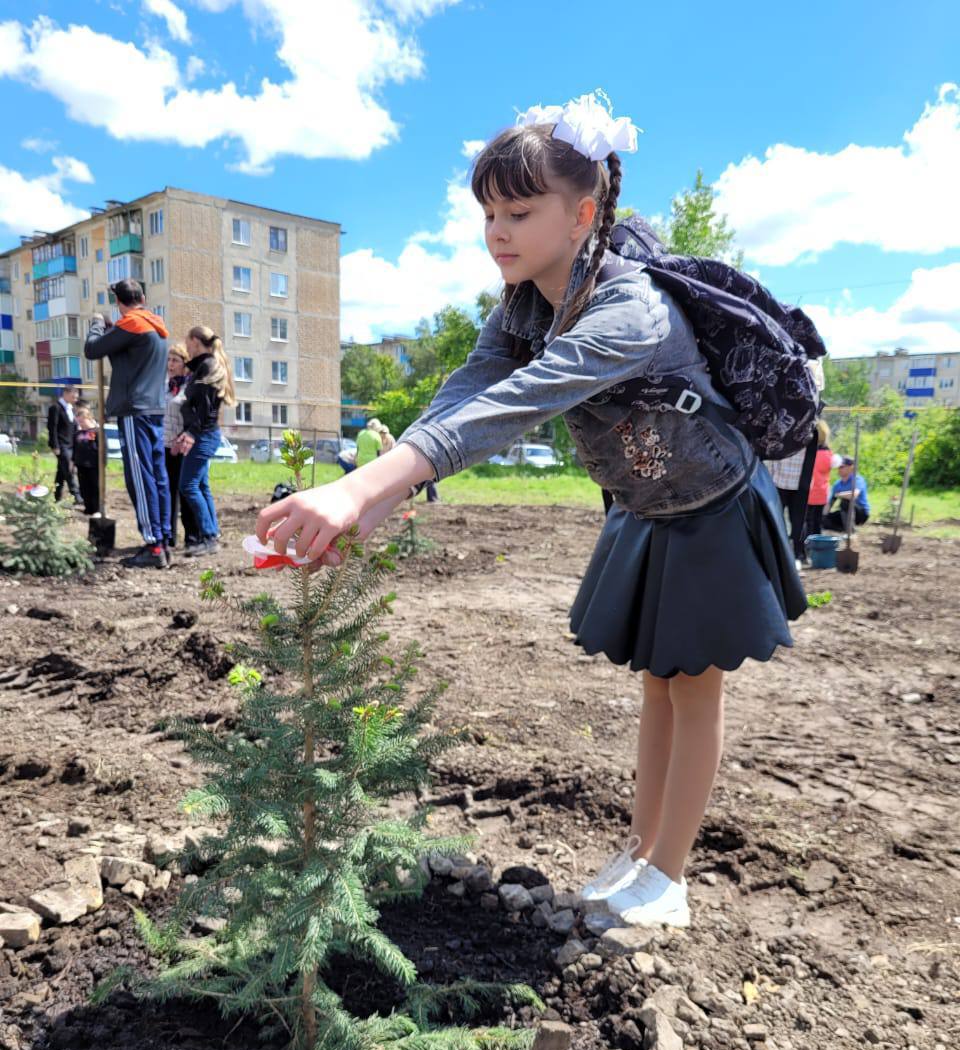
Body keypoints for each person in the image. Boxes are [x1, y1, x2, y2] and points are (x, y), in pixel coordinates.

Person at [254, 91, 809, 931]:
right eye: (488, 214)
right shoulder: (525, 303)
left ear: (583, 212)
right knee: (660, 685)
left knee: (695, 689)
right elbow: (468, 389)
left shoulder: (631, 311)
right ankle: (641, 850)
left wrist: (365, 488)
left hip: (710, 506)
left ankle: (670, 876)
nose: (498, 232)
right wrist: (384, 488)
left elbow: (514, 404)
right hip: (646, 508)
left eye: (519, 210)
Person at [84, 279, 171, 568]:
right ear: (143, 297)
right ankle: (162, 539)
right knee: (157, 477)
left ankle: (153, 546)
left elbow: (93, 349)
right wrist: (112, 328)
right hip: (155, 410)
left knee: (140, 477)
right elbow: (124, 348)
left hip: (134, 411)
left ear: (119, 302)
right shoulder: (155, 326)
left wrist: (97, 324)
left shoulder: (131, 324)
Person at [172, 325, 236, 557]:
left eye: (187, 342)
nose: (186, 346)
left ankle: (209, 537)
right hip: (204, 433)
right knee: (200, 485)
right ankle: (211, 535)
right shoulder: (203, 366)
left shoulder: (207, 367)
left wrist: (191, 433)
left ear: (195, 341)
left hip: (204, 435)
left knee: (187, 485)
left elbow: (205, 408)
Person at [163, 343, 200, 549]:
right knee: (167, 492)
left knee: (185, 492)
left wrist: (183, 437)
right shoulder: (164, 386)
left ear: (185, 364)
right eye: (169, 360)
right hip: (165, 447)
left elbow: (193, 417)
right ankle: (169, 536)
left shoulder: (188, 387)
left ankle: (192, 537)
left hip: (183, 447)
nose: (170, 364)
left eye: (175, 360)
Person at [46, 385, 83, 506]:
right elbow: (53, 428)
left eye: (76, 397)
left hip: (70, 445)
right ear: (66, 394)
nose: (75, 399)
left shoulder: (71, 409)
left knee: (61, 472)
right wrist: (55, 446)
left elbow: (73, 427)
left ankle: (56, 497)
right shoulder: (55, 408)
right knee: (69, 470)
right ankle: (77, 496)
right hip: (61, 445)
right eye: (73, 396)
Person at [805, 420, 842, 538]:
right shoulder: (829, 455)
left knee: (807, 521)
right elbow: (835, 463)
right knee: (817, 521)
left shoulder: (808, 453)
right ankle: (818, 543)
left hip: (809, 493)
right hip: (822, 493)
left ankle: (806, 544)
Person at [824, 456, 870, 531]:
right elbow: (830, 503)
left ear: (851, 467)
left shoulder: (857, 480)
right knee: (825, 519)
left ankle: (850, 530)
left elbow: (853, 495)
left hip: (861, 513)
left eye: (842, 467)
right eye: (838, 467)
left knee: (845, 502)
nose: (839, 469)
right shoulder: (837, 484)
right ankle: (842, 528)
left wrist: (838, 494)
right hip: (845, 514)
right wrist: (824, 516)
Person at [73, 403, 101, 516]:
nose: (81, 424)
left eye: (82, 421)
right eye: (79, 422)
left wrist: (102, 464)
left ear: (88, 418)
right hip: (81, 465)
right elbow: (74, 448)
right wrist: (73, 461)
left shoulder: (97, 432)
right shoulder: (78, 434)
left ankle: (97, 509)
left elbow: (102, 448)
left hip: (94, 465)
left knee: (95, 487)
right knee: (84, 487)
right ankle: (88, 508)